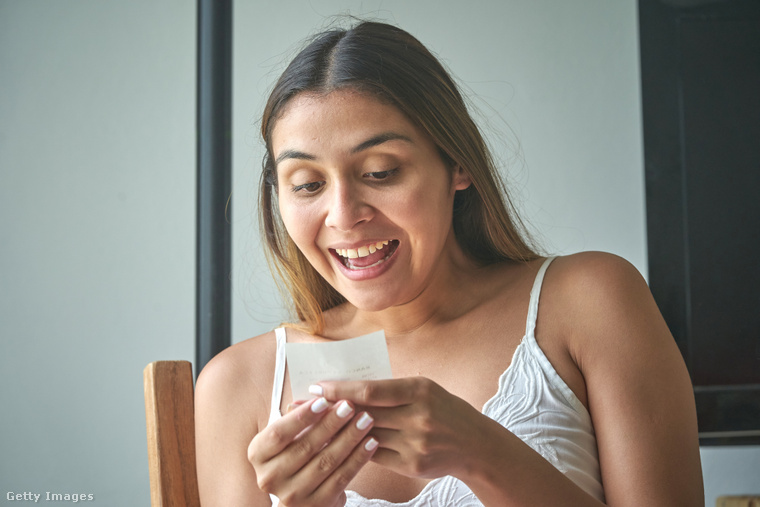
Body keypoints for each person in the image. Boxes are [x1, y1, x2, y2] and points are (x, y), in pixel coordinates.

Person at [195, 20, 704, 506]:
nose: (344, 216)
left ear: (456, 163)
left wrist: (480, 452)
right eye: (307, 184)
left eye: (380, 171)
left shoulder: (590, 300)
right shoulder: (237, 386)